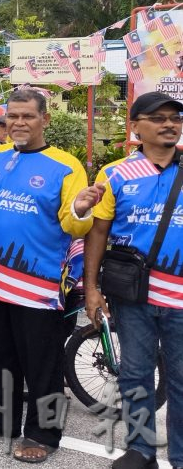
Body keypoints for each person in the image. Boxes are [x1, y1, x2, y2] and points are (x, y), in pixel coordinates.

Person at [0, 89, 95, 464]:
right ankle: (0, 420)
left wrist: (81, 208)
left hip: (40, 286)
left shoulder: (67, 166)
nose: (18, 123)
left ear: (44, 120)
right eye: (12, 117)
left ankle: (44, 434)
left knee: (43, 364)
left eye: (27, 116)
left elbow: (73, 224)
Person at [80, 92, 183, 469]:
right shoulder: (116, 173)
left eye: (174, 117)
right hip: (133, 295)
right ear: (136, 127)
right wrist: (91, 288)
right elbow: (98, 233)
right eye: (157, 118)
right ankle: (140, 450)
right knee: (136, 374)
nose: (169, 124)